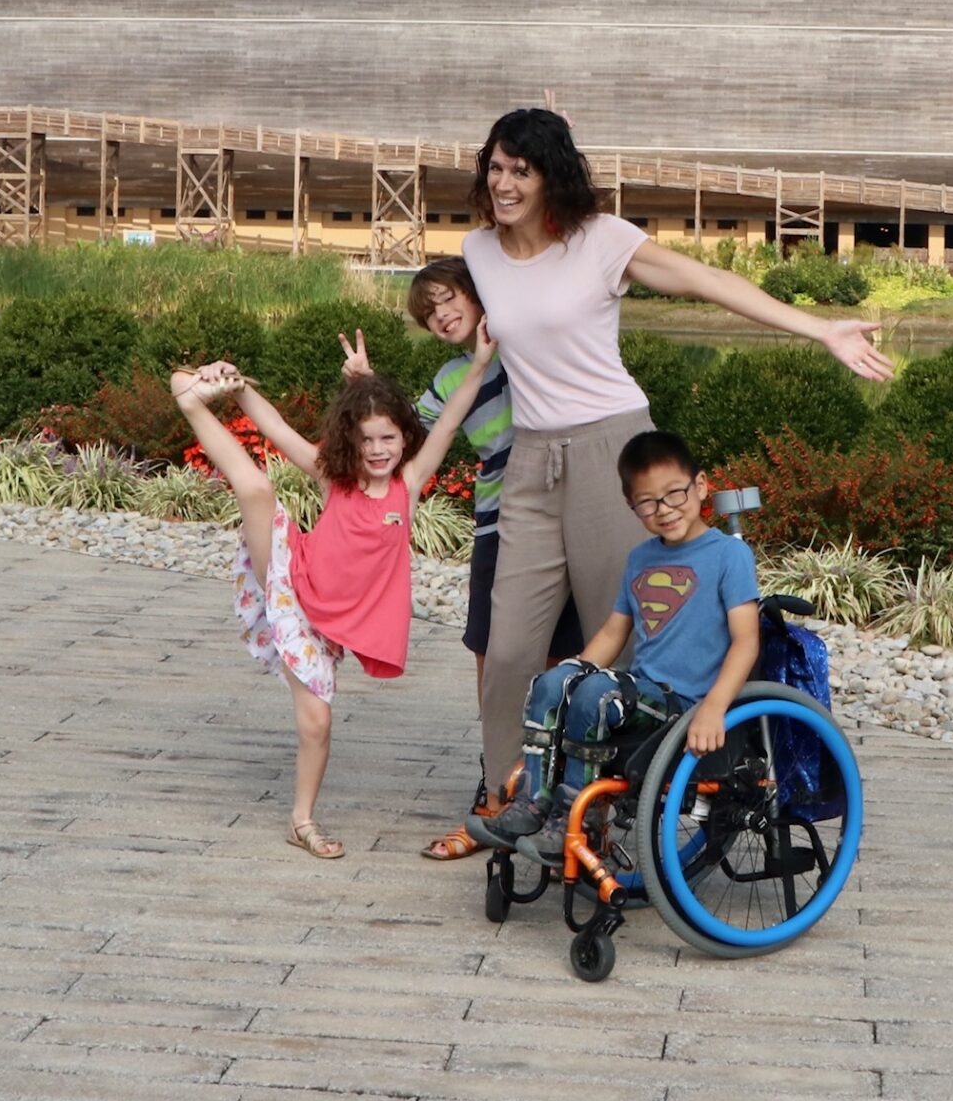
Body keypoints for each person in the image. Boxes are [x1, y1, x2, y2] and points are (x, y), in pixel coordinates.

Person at [458, 107, 890, 811]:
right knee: (508, 649)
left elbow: (705, 282)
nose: (503, 182)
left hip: (610, 448)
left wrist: (819, 329)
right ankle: (508, 799)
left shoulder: (601, 241)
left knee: (622, 637)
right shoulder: (479, 251)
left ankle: (616, 802)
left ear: (551, 176)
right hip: (531, 462)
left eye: (521, 169)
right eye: (495, 167)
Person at [172, 322, 491, 862]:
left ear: (405, 439)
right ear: (350, 440)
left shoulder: (407, 485)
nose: (377, 449)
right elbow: (274, 428)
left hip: (331, 625)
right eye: (366, 439)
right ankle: (191, 400)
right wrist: (239, 385)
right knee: (255, 487)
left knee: (317, 725)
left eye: (388, 438)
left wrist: (480, 364)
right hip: (295, 582)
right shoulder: (333, 476)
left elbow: (451, 421)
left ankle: (301, 821)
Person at [340, 257, 581, 860]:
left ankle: (560, 796)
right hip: (499, 523)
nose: (441, 315)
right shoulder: (453, 377)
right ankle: (496, 790)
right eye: (428, 312)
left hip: (564, 515)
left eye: (449, 300)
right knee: (491, 653)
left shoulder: (525, 345)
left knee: (562, 657)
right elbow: (403, 439)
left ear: (477, 296)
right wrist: (361, 386)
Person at [484, 430, 758, 849]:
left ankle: (581, 815)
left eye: (674, 494)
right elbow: (614, 632)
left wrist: (714, 708)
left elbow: (746, 641)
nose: (663, 510)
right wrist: (569, 678)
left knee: (597, 694)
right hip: (644, 694)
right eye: (647, 503)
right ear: (632, 507)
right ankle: (536, 798)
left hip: (685, 703)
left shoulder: (728, 556)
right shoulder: (641, 559)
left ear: (700, 485)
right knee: (552, 682)